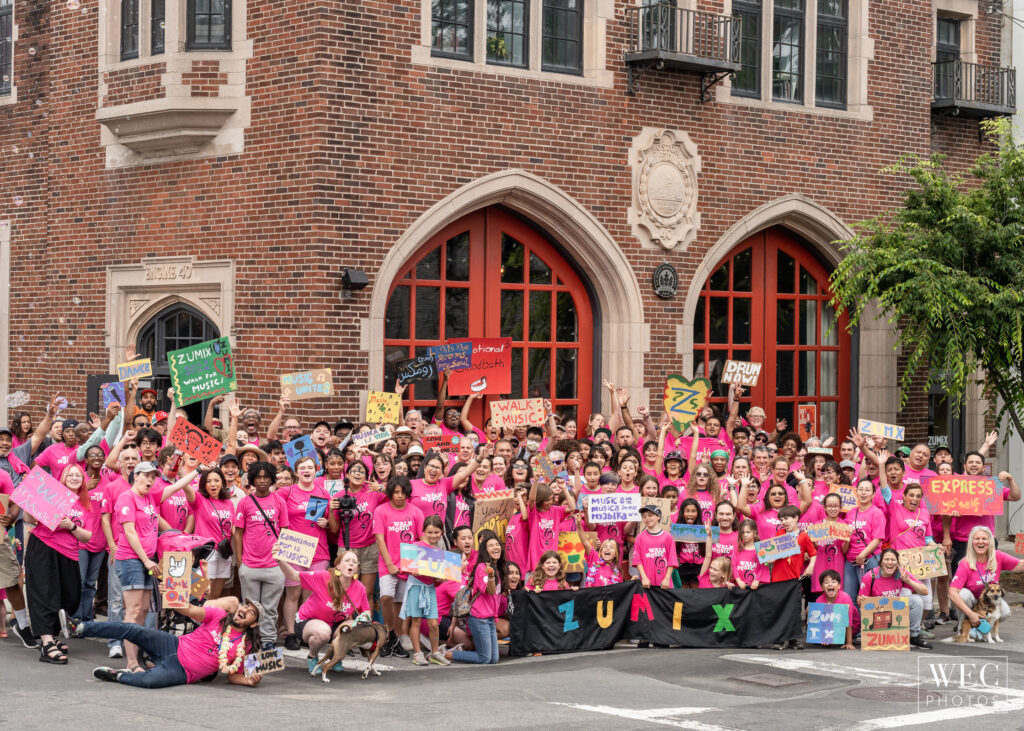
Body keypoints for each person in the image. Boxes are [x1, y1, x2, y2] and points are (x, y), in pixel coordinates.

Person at [115, 461, 203, 672]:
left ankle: (139, 657)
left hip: (148, 560)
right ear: (135, 475)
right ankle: (131, 663)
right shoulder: (126, 498)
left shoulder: (151, 498)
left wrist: (198, 471)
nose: (150, 480)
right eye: (146, 475)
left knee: (144, 611)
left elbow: (176, 485)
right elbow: (129, 532)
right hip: (131, 559)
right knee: (134, 610)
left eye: (153, 477)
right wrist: (146, 560)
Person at [70, 598, 263, 688]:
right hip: (173, 644)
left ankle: (119, 676)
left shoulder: (246, 647)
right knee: (133, 629)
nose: (245, 609)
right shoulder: (219, 616)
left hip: (182, 673)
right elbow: (190, 610)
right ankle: (80, 628)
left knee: (149, 681)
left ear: (253, 623)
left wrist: (248, 680)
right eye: (245, 606)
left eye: (251, 611)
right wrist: (172, 594)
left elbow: (233, 676)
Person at [24, 464, 95, 664]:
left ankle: (52, 634)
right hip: (44, 548)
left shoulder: (85, 504)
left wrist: (71, 526)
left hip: (70, 555)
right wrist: (28, 501)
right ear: (62, 478)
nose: (74, 478)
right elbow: (29, 519)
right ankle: (46, 643)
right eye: (69, 475)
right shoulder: (53, 496)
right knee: (45, 595)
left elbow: (88, 536)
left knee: (70, 598)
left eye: (78, 475)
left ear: (83, 480)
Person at [277, 549, 371, 674]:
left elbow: (366, 611)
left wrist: (363, 620)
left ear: (357, 569)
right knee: (323, 632)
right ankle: (312, 657)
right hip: (308, 622)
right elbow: (294, 575)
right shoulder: (323, 577)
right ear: (338, 565)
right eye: (347, 560)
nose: (351, 564)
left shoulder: (360, 588)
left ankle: (336, 656)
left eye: (354, 562)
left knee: (354, 628)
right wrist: (280, 560)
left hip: (336, 624)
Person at [277, 455, 332, 651]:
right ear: (296, 472)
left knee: (310, 596)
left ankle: (304, 631)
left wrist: (326, 522)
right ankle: (291, 633)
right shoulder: (285, 492)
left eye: (310, 467)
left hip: (318, 550)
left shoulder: (324, 493)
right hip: (294, 547)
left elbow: (330, 522)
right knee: (293, 593)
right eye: (303, 468)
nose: (307, 470)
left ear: (316, 470)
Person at [232, 461, 287, 649]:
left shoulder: (280, 501)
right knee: (251, 609)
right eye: (259, 477)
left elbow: (285, 531)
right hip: (250, 565)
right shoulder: (244, 502)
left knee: (270, 608)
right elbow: (237, 533)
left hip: (275, 566)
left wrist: (284, 562)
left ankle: (269, 642)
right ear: (252, 479)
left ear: (272, 478)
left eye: (266, 477)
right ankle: (251, 642)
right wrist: (240, 563)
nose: (262, 480)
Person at [373, 476, 422, 658]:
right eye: (396, 492)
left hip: (408, 566)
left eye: (403, 492)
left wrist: (415, 564)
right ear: (390, 493)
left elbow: (421, 539)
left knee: (400, 603)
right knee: (386, 597)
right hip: (388, 565)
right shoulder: (381, 510)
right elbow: (379, 538)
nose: (400, 496)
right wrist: (389, 564)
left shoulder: (416, 512)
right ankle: (390, 633)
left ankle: (394, 640)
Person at [948, 525, 1024, 634]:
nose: (980, 542)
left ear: (990, 541)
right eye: (977, 538)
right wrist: (971, 614)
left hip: (989, 601)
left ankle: (982, 627)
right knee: (962, 594)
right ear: (971, 542)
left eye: (984, 538)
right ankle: (962, 626)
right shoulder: (965, 563)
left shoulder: (997, 556)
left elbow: (1020, 565)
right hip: (972, 602)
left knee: (1005, 612)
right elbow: (952, 593)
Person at [446, 532, 505, 665]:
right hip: (479, 619)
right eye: (491, 545)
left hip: (489, 618)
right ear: (485, 550)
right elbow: (490, 590)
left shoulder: (495, 568)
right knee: (484, 659)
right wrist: (490, 576)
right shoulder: (481, 568)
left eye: (497, 544)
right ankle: (450, 654)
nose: (495, 547)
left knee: (493, 659)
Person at [399, 515, 450, 666]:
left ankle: (434, 653)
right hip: (415, 587)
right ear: (423, 532)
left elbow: (438, 580)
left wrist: (440, 580)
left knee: (433, 623)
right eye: (430, 532)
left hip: (429, 589)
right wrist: (412, 571)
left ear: (441, 532)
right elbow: (405, 568)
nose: (433, 536)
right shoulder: (416, 546)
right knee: (416, 621)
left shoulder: (440, 552)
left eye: (436, 532)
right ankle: (418, 654)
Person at [857, 548, 932, 649]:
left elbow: (925, 591)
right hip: (878, 612)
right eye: (886, 559)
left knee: (916, 600)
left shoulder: (900, 573)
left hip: (894, 610)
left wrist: (908, 581)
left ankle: (914, 636)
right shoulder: (870, 576)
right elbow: (859, 602)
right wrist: (862, 599)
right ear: (881, 562)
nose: (890, 562)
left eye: (893, 560)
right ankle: (870, 635)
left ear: (897, 563)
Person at [815, 569, 858, 650]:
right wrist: (824, 637)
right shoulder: (819, 600)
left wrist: (849, 642)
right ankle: (831, 639)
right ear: (822, 587)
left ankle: (841, 639)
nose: (830, 584)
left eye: (833, 582)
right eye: (826, 582)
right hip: (832, 627)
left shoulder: (845, 598)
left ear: (839, 586)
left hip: (850, 628)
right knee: (809, 609)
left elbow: (849, 622)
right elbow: (822, 623)